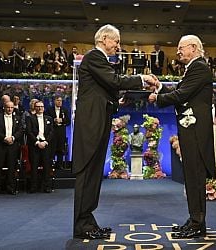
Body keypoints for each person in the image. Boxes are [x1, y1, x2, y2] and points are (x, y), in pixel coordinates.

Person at [71, 24, 156, 240]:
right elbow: (114, 81)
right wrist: (142, 78)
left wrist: (118, 99)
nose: (118, 46)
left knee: (93, 172)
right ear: (104, 39)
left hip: (97, 122)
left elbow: (108, 88)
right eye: (116, 41)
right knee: (88, 171)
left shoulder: (99, 61)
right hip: (91, 124)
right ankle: (82, 225)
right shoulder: (94, 57)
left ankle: (88, 222)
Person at [149, 34, 215, 239]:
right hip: (189, 130)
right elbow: (181, 92)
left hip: (195, 131)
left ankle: (197, 222)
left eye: (181, 48)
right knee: (191, 177)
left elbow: (181, 95)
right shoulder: (193, 69)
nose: (178, 52)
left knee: (194, 177)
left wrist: (157, 98)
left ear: (193, 48)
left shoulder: (199, 67)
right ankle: (195, 219)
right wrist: (160, 88)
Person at [0, 101, 23, 195]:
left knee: (12, 168)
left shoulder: (18, 118)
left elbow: (20, 131)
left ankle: (11, 188)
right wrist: (4, 138)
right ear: (4, 107)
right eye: (8, 107)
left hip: (13, 145)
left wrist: (13, 138)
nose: (10, 109)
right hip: (0, 145)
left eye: (11, 107)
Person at [26, 100, 54, 193]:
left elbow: (51, 132)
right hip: (35, 145)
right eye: (38, 106)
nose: (40, 108)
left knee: (46, 167)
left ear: (44, 108)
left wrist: (45, 142)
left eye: (41, 106)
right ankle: (33, 187)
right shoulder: (30, 118)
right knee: (34, 166)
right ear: (35, 107)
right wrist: (37, 142)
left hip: (46, 145)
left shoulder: (49, 118)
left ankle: (46, 187)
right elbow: (29, 132)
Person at [46, 96, 70, 169]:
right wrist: (54, 120)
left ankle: (59, 165)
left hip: (61, 132)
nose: (59, 102)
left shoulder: (64, 110)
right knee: (52, 149)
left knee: (61, 149)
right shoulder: (49, 110)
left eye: (61, 101)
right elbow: (46, 120)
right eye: (58, 100)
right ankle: (50, 165)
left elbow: (68, 121)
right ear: (54, 101)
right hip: (52, 132)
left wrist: (62, 120)